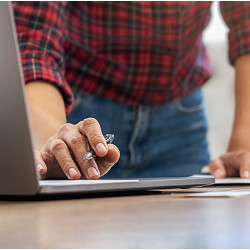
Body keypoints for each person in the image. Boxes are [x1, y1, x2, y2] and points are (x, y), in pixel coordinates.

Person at [12, 1, 250, 179]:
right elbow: (33, 40)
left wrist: (244, 148)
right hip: (78, 116)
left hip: (181, 121)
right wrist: (54, 146)